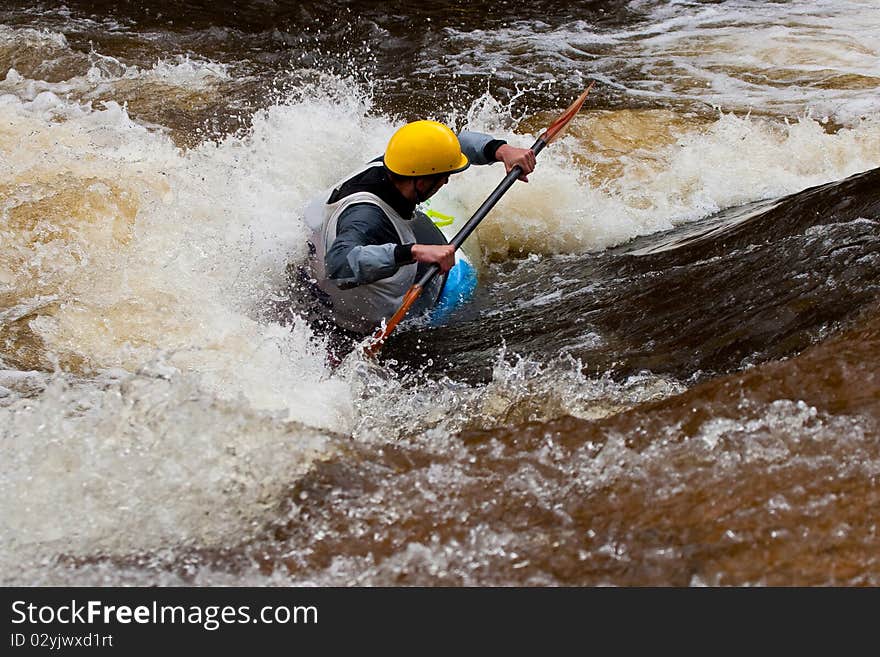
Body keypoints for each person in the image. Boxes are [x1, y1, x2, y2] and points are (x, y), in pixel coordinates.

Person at [297, 120, 536, 359]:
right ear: (421, 182)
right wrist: (413, 252)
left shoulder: (396, 165)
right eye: (443, 177)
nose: (446, 182)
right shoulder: (367, 218)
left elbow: (456, 143)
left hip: (311, 277)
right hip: (347, 320)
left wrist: (502, 151)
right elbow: (338, 265)